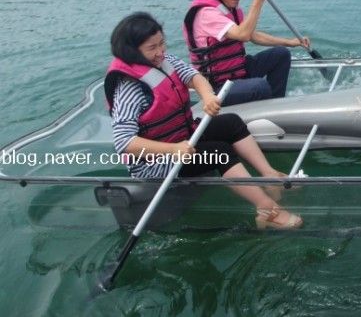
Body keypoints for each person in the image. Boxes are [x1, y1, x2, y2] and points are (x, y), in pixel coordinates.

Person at [105, 12, 302, 230]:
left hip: (183, 137)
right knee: (219, 151)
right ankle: (266, 209)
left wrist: (208, 96)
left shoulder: (164, 61)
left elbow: (194, 76)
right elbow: (124, 143)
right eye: (152, 48)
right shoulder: (128, 88)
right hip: (156, 162)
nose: (160, 51)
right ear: (132, 51)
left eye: (162, 43)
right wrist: (172, 150)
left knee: (231, 122)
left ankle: (270, 175)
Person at [183, 0, 310, 106]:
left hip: (238, 71)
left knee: (281, 54)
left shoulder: (230, 9)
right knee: (260, 87)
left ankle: (276, 106)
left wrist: (290, 42)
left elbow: (251, 35)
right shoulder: (207, 14)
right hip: (218, 86)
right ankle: (266, 112)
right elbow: (243, 34)